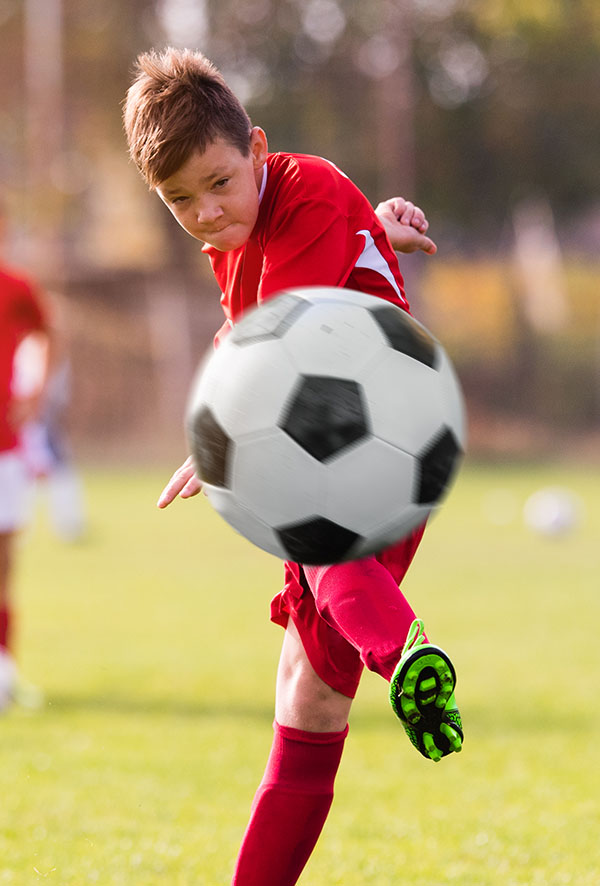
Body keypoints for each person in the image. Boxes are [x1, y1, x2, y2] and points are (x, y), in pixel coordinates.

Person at [123, 48, 463, 885]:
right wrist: (375, 226)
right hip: (362, 430)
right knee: (307, 701)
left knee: (323, 549)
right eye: (179, 201)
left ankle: (406, 652)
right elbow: (270, 315)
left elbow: (281, 341)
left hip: (368, 427)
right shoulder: (247, 230)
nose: (205, 212)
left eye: (218, 183)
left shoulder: (302, 185)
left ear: (259, 149)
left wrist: (214, 445)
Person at [0, 200, 57, 711]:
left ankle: (4, 671)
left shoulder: (16, 288)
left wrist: (35, 393)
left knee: (3, 564)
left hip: (5, 451)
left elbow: (44, 335)